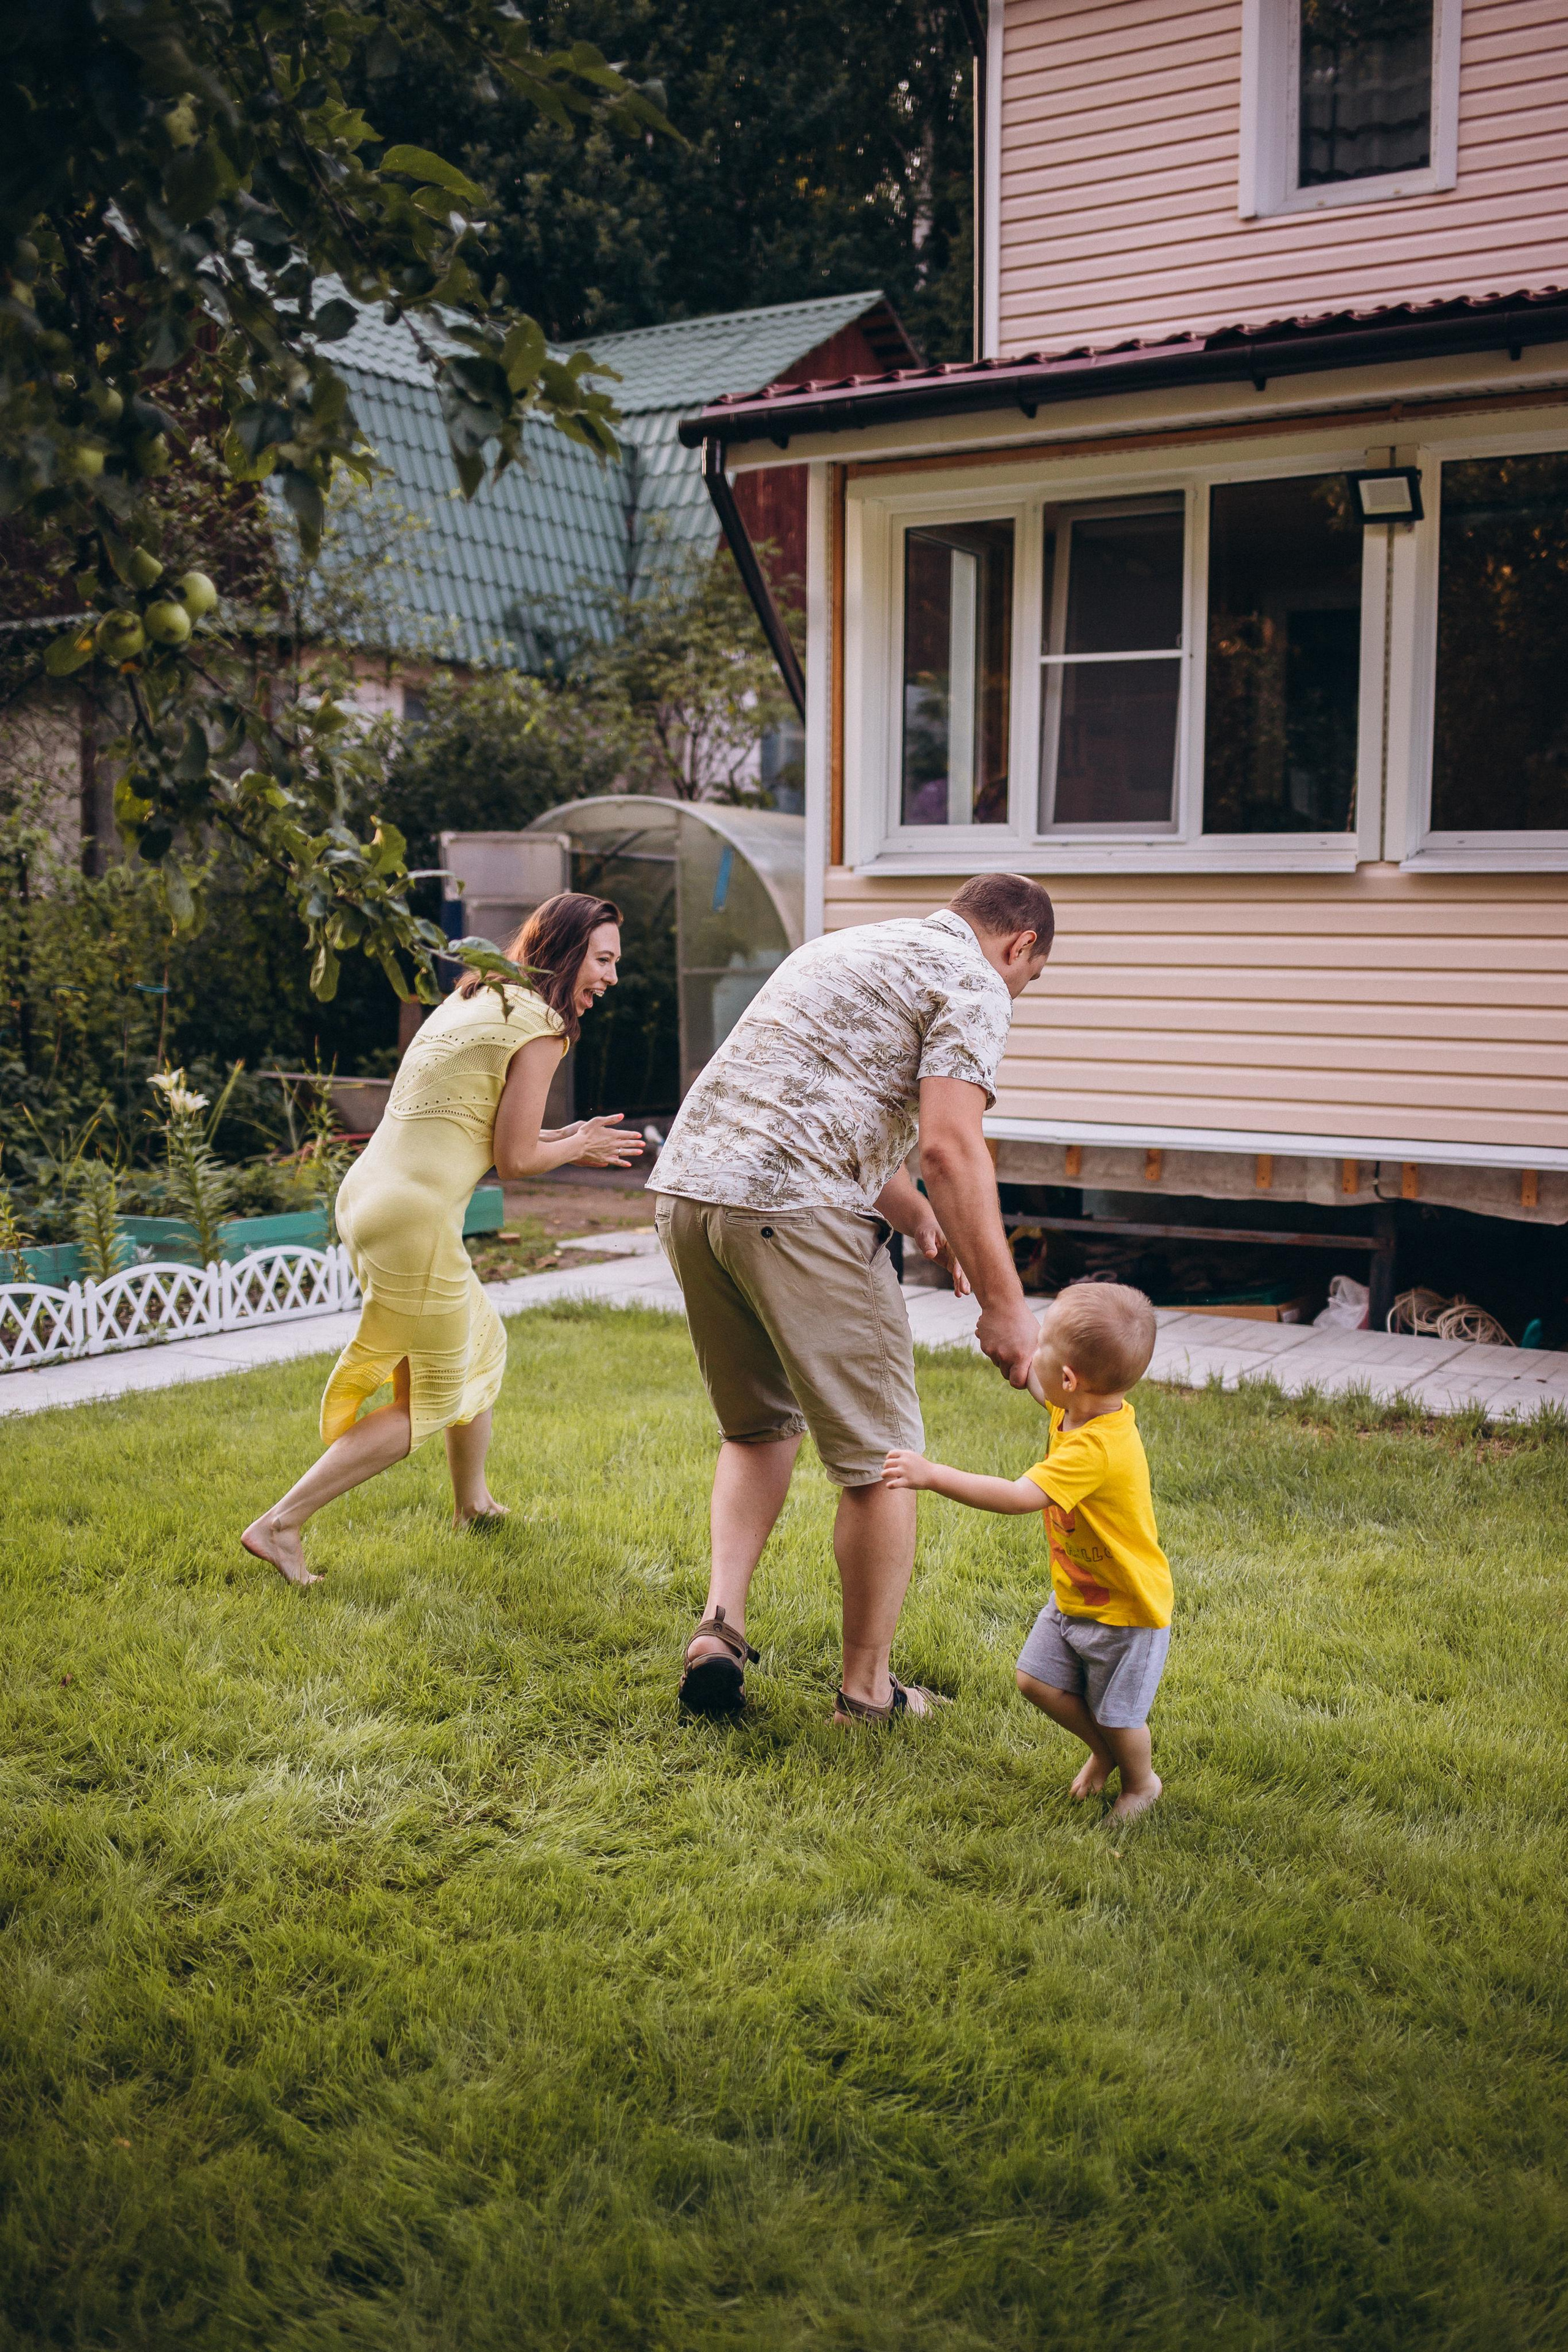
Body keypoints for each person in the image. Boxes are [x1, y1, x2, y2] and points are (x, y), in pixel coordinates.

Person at [650, 871, 1055, 1725]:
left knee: (757, 1425)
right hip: (795, 1210)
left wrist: (926, 1221)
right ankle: (867, 1695)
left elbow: (824, 1112)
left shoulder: (845, 947)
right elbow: (951, 1148)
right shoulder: (977, 981)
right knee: (882, 1460)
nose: (1019, 990)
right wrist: (1006, 1304)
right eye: (1031, 976)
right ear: (1019, 947)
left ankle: (719, 1630)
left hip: (691, 1193)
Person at [242, 892, 641, 1586]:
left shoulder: (477, 993)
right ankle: (279, 1525)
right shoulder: (543, 1024)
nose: (609, 977)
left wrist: (567, 1139)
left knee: (479, 1342)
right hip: (414, 1218)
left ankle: (473, 1504)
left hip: (370, 1197)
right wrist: (574, 1146)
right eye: (602, 960)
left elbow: (475, 1129)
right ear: (567, 951)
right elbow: (514, 1160)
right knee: (429, 1396)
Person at [882, 1282, 1170, 1820]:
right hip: (1078, 1595)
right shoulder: (1079, 1407)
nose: (1033, 1351)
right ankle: (1103, 1751)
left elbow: (1018, 1497)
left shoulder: (1097, 1449)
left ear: (1069, 1379)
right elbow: (1047, 1390)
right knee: (1035, 1681)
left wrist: (932, 1475)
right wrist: (1021, 1357)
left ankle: (1140, 1782)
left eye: (1042, 1345)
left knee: (1119, 1713)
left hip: (1126, 1611)